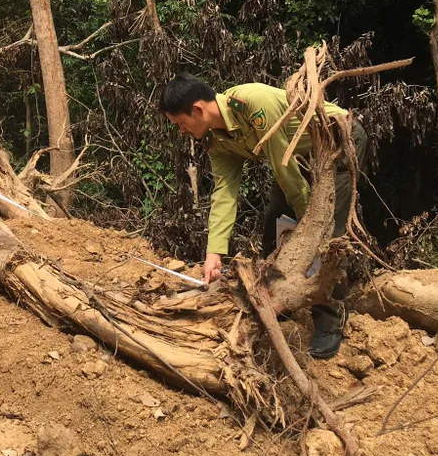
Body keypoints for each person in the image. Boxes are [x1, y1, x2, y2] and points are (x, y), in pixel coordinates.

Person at [158, 73, 368, 359]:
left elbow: (284, 167)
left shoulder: (250, 103)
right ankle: (278, 300)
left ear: (197, 109)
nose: (181, 131)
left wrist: (311, 222)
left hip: (338, 139)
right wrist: (214, 252)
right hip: (298, 155)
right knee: (275, 224)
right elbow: (224, 193)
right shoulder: (215, 139)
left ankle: (330, 323)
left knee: (327, 235)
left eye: (180, 124)